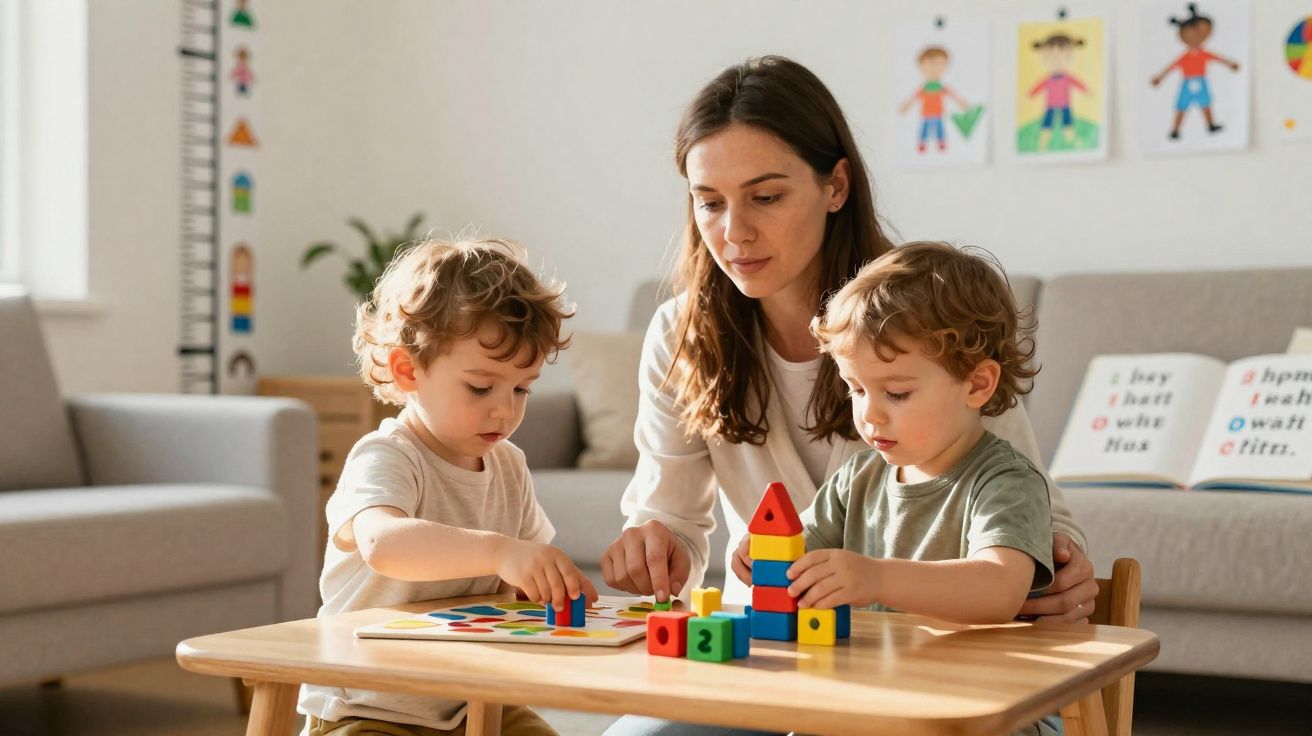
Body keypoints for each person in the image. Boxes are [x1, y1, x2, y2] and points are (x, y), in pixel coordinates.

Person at [602, 55, 1094, 736]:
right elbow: (673, 520)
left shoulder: (926, 320)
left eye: (766, 197)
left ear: (836, 185)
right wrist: (656, 547)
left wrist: (1058, 567)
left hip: (927, 670)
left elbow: (1022, 501)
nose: (734, 232)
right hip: (780, 652)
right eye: (709, 201)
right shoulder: (679, 334)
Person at [298, 238, 596, 736]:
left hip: (469, 704)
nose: (505, 409)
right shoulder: (388, 454)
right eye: (481, 387)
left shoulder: (509, 466)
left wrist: (547, 586)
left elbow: (518, 584)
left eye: (522, 387)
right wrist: (502, 552)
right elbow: (383, 543)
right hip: (370, 708)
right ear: (407, 370)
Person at [735, 241, 1054, 626]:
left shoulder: (1006, 481)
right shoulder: (857, 479)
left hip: (971, 683)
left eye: (897, 393)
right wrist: (768, 556)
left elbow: (999, 589)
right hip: (870, 678)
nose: (869, 413)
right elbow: (799, 559)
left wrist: (877, 578)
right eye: (855, 388)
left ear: (976, 384)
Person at [1150, 2, 1241, 140]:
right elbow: (1171, 66)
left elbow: (1217, 58)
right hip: (1187, 83)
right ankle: (1175, 130)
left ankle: (1211, 125)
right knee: (1181, 107)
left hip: (1201, 81)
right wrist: (1160, 77)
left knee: (1206, 105)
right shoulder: (1184, 57)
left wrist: (1229, 64)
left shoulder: (1204, 54)